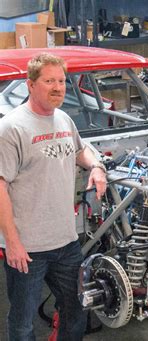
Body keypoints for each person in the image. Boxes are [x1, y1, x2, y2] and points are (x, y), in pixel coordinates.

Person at [0, 53, 107, 340]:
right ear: (30, 84)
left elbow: (79, 150)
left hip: (66, 241)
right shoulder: (11, 127)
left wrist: (96, 167)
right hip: (28, 247)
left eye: (61, 81)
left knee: (77, 309)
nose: (58, 87)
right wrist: (12, 243)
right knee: (23, 321)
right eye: (49, 81)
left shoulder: (63, 118)